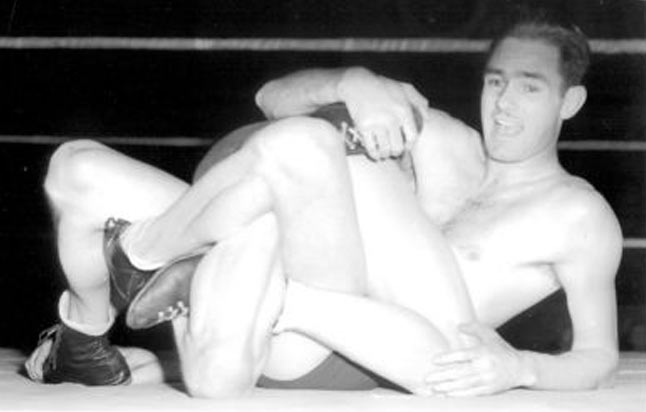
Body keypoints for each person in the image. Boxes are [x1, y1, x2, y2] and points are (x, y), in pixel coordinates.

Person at [25, 14, 622, 398]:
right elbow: (270, 98)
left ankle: (154, 254)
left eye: (529, 87)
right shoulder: (440, 137)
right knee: (74, 169)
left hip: (353, 351)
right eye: (496, 81)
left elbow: (598, 356)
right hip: (266, 280)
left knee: (318, 148)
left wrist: (522, 368)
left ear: (570, 103)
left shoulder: (578, 215)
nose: (504, 104)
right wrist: (349, 81)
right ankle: (83, 337)